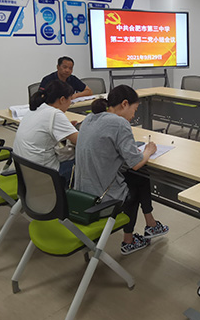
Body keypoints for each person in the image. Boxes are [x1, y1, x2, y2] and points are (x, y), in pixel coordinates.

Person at [74, 85, 169, 255]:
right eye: (134, 109)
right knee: (139, 176)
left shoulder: (89, 118)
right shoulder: (119, 123)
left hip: (80, 194)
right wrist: (148, 151)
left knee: (138, 177)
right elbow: (136, 163)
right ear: (125, 104)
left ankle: (150, 225)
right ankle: (131, 239)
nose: (134, 115)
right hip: (100, 200)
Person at [13, 80, 78, 183]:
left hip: (25, 171)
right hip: (45, 175)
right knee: (85, 160)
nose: (71, 103)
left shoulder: (35, 109)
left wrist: (66, 128)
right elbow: (81, 141)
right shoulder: (55, 114)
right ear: (62, 99)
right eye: (70, 99)